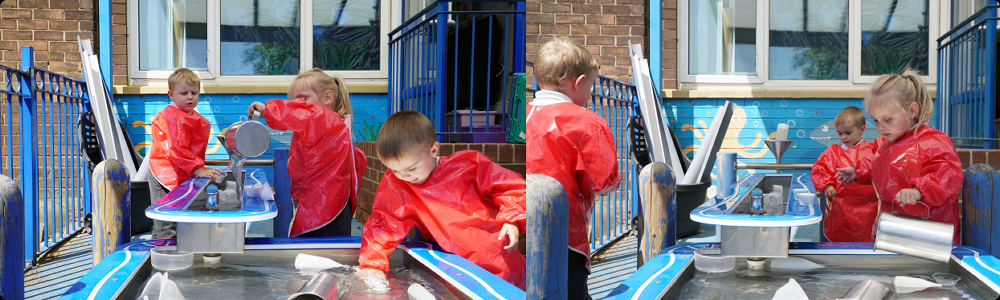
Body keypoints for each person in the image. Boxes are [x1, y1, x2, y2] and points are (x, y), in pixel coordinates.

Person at [355, 111, 527, 290]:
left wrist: (512, 218)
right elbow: (383, 225)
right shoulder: (398, 183)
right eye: (395, 170)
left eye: (411, 169)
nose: (404, 176)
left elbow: (508, 185)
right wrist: (372, 266)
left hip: (497, 253)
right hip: (455, 264)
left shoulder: (468, 165)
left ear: (433, 150)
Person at [526, 37, 621, 299]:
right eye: (590, 85)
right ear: (579, 82)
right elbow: (601, 183)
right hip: (565, 230)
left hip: (521, 221)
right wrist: (617, 178)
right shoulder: (588, 122)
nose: (590, 91)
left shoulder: (522, 116)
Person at [836, 70, 963, 244]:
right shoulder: (884, 143)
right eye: (876, 120)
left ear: (912, 110)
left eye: (888, 119)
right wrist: (858, 172)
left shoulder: (933, 142)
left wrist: (918, 191)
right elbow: (883, 169)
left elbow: (946, 175)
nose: (881, 127)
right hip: (894, 226)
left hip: (930, 229)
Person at [247, 68, 365, 237]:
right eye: (293, 102)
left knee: (315, 253)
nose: (297, 106)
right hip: (327, 202)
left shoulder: (325, 118)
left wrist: (268, 110)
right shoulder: (332, 127)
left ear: (328, 98)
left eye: (302, 100)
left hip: (324, 207)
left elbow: (303, 115)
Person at [148, 68, 222, 239]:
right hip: (164, 172)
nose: (190, 97)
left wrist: (198, 166)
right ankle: (168, 260)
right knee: (166, 219)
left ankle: (155, 253)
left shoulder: (191, 116)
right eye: (184, 93)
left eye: (194, 93)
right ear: (171, 94)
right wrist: (197, 168)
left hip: (180, 169)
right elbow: (175, 148)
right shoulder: (170, 116)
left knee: (165, 220)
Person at [811, 106, 879, 242]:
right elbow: (820, 169)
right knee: (841, 236)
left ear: (862, 129)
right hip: (840, 207)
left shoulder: (871, 150)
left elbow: (880, 171)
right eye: (839, 133)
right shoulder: (833, 152)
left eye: (848, 133)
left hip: (867, 207)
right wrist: (827, 185)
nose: (843, 137)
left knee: (865, 236)